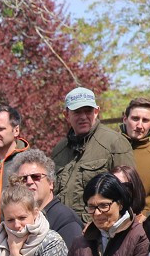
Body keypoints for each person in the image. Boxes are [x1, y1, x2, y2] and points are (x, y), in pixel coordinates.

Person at [51, 87, 135, 219]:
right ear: (66, 115)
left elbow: (129, 194)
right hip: (63, 226)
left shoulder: (115, 143)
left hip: (99, 228)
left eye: (88, 111)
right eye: (77, 112)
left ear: (96, 111)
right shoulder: (59, 150)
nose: (83, 117)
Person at [5, 148, 82, 249]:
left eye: (35, 176)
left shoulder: (65, 220)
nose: (29, 182)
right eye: (23, 179)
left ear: (50, 183)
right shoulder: (13, 220)